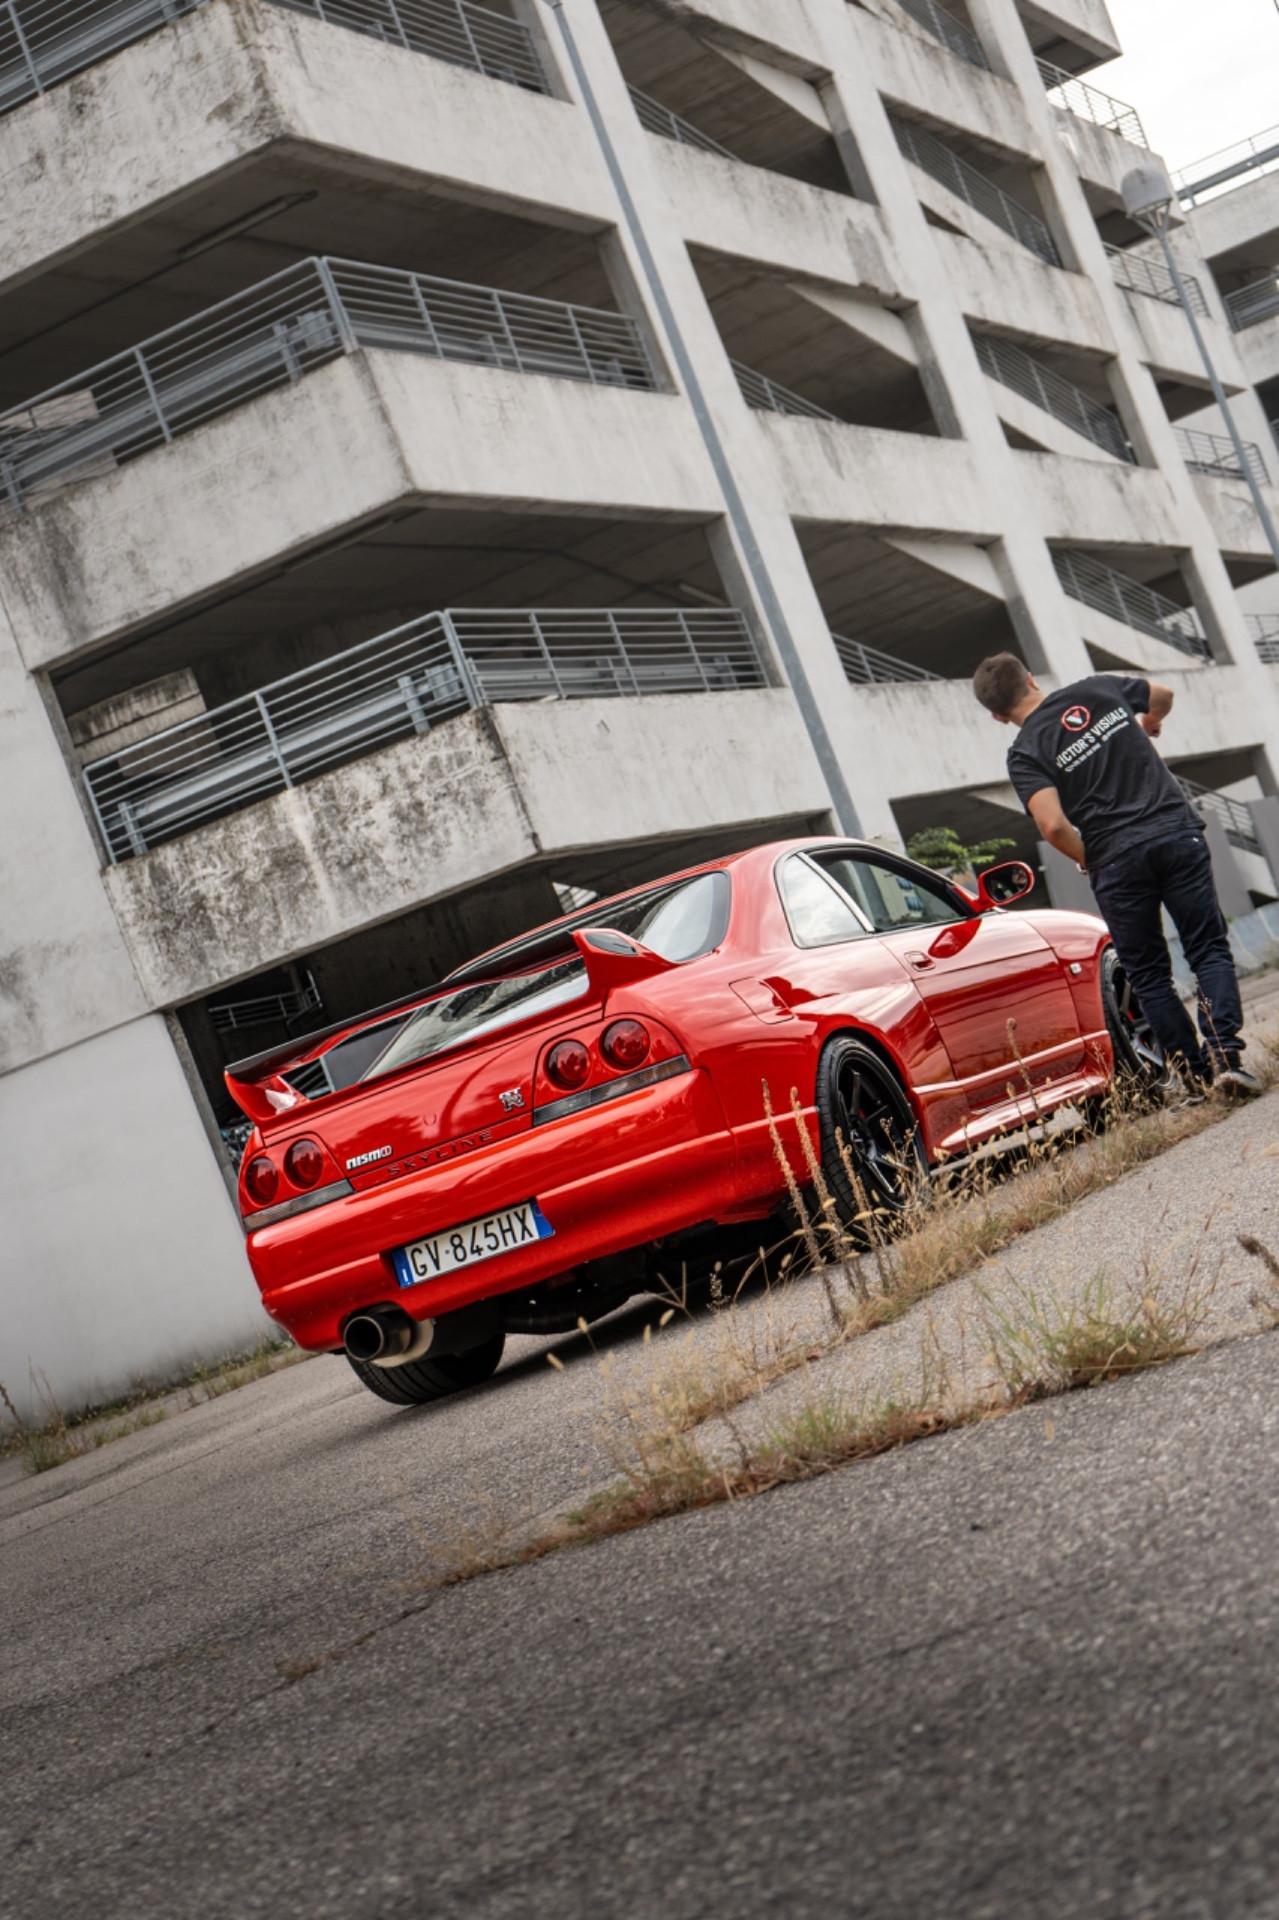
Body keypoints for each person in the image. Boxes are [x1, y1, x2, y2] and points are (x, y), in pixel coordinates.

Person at [971, 652, 1259, 1096]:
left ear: (995, 715)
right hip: (1174, 832)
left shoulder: (1025, 751)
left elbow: (1052, 826)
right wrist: (1151, 722)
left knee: (1148, 975)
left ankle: (1197, 1079)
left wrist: (1088, 856)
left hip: (1116, 862)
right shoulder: (1098, 689)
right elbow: (1162, 695)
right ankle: (1226, 1057)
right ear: (1030, 677)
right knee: (1206, 949)